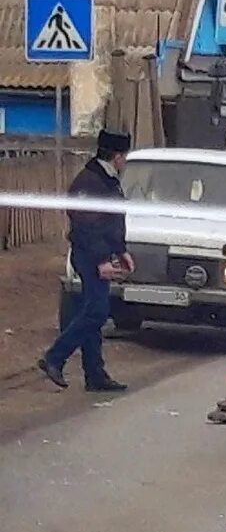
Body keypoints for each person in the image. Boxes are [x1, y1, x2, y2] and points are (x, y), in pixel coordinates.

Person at [38, 130, 134, 392]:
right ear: (116, 157)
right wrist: (102, 259)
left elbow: (111, 221)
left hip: (99, 253)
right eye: (124, 156)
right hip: (88, 255)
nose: (125, 161)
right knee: (97, 311)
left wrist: (121, 250)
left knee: (94, 310)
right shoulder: (89, 183)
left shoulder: (106, 180)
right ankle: (54, 357)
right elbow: (87, 226)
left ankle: (95, 374)